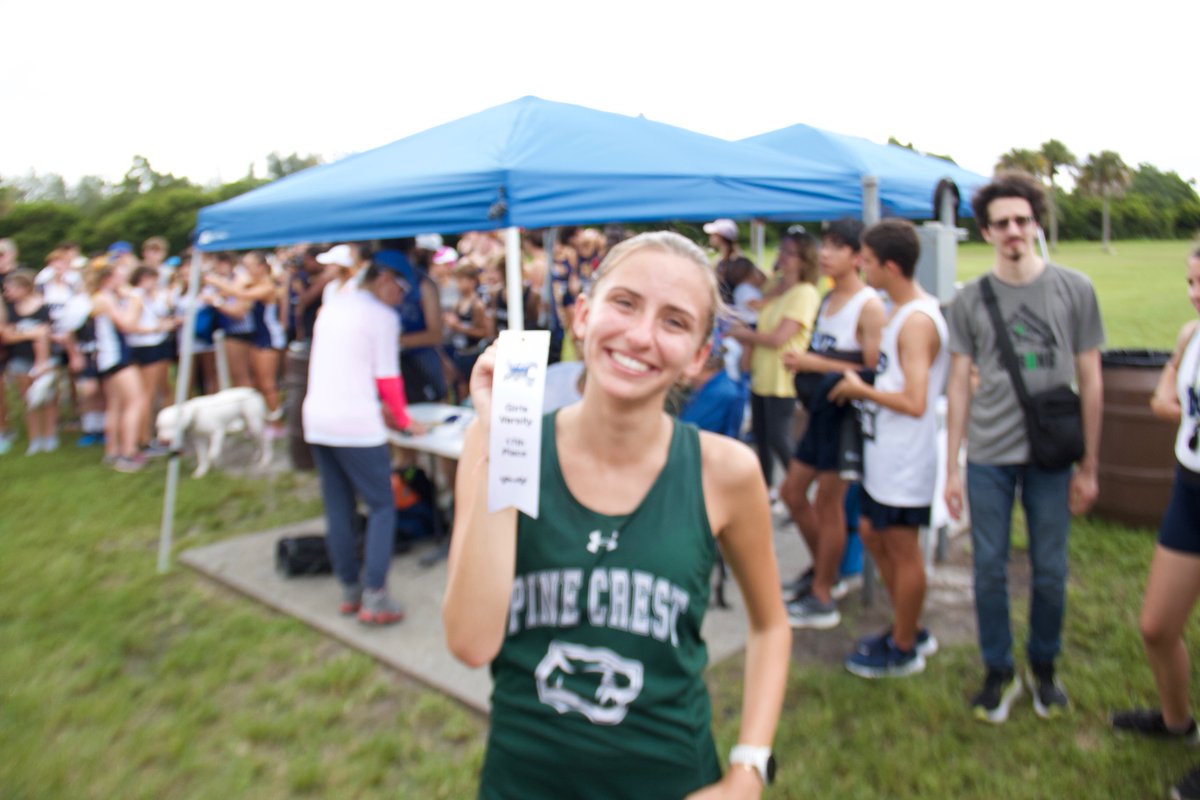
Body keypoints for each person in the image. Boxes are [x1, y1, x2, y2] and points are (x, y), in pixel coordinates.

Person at [443, 231, 791, 799]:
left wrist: (748, 769)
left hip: (672, 779)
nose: (640, 335)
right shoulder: (500, 444)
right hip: (524, 781)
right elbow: (471, 643)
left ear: (698, 356)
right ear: (583, 316)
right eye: (624, 303)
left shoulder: (724, 472)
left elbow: (771, 624)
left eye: (674, 321)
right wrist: (502, 439)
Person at [944, 171, 1105, 723]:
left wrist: (1091, 464)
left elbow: (1092, 377)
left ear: (1036, 224)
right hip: (989, 455)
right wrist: (953, 466)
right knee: (988, 569)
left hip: (1051, 456)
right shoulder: (968, 300)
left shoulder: (1074, 288)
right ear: (987, 232)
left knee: (1051, 570)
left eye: (1021, 220)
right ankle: (998, 669)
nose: (1013, 230)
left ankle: (1044, 666)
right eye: (1001, 223)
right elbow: (958, 382)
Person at [827, 220, 949, 677]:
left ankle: (904, 646)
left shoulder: (916, 321)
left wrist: (861, 390)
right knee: (871, 532)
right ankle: (907, 625)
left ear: (891, 267)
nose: (863, 267)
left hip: (905, 460)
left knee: (902, 548)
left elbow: (916, 401)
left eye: (869, 261)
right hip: (884, 455)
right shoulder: (898, 311)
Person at [1109, 248, 1200, 800]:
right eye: (1191, 281)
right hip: (1189, 491)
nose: (1196, 293)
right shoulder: (1192, 335)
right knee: (1157, 627)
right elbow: (1164, 401)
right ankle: (1176, 722)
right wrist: (1173, 384)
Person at [303, 254, 426, 625]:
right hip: (355, 424)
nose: (401, 300)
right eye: (401, 290)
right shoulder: (382, 317)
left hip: (318, 418)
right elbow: (387, 377)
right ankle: (376, 595)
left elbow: (349, 366)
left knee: (338, 506)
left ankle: (349, 589)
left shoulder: (333, 306)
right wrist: (404, 420)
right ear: (384, 279)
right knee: (382, 506)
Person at [777, 218, 885, 629]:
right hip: (818, 413)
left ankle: (823, 595)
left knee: (828, 503)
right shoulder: (827, 299)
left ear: (857, 257)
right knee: (791, 492)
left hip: (845, 418)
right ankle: (826, 569)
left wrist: (814, 363)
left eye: (837, 247)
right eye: (824, 245)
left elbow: (872, 369)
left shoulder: (868, 305)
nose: (825, 254)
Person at [728, 231, 821, 496]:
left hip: (783, 377)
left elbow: (780, 337)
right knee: (762, 435)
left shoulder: (804, 293)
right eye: (782, 250)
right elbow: (753, 305)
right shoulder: (777, 288)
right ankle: (766, 489)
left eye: (790, 253)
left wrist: (744, 335)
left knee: (779, 438)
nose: (783, 256)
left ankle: (799, 492)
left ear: (804, 259)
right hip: (763, 374)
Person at [704, 218, 742, 305]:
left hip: (731, 308)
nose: (711, 236)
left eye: (714, 234)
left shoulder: (736, 260)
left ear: (722, 237)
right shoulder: (720, 259)